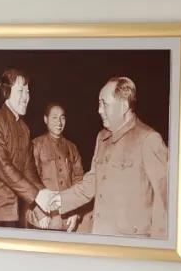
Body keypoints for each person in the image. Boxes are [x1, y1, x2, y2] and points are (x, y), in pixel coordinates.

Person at [54, 77, 169, 239]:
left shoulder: (149, 139)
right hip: (101, 237)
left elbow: (166, 201)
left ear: (124, 106)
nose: (99, 110)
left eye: (104, 104)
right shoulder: (102, 138)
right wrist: (59, 199)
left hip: (132, 243)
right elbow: (92, 181)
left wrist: (158, 247)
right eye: (99, 104)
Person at [0, 69, 55, 228]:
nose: (26, 97)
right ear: (6, 92)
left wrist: (42, 197)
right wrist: (37, 196)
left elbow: (29, 170)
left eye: (28, 92)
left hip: (19, 211)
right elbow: (4, 168)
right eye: (21, 91)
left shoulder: (24, 129)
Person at [32, 103, 86, 231]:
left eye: (62, 118)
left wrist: (75, 211)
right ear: (45, 119)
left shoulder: (72, 148)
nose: (59, 122)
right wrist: (39, 213)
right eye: (54, 117)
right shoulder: (36, 145)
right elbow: (30, 181)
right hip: (44, 219)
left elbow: (79, 180)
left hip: (67, 219)